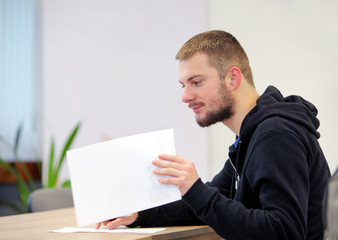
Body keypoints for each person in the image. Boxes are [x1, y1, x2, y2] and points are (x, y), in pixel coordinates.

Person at [96, 30, 331, 240]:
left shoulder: (275, 135)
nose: (185, 96)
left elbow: (285, 231)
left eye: (196, 82)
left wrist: (196, 189)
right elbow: (211, 199)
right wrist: (139, 215)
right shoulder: (250, 137)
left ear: (233, 78)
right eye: (183, 85)